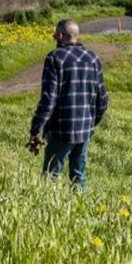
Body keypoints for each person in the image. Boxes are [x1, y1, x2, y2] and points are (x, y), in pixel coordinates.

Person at [27, 19, 108, 189]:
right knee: (78, 177)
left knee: (50, 177)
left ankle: (49, 211)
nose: (55, 38)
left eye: (55, 35)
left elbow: (48, 100)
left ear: (61, 36)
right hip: (85, 130)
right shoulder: (93, 58)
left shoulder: (54, 58)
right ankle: (80, 212)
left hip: (61, 130)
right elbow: (102, 99)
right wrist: (91, 123)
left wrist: (36, 128)